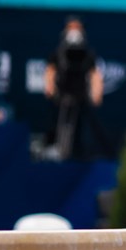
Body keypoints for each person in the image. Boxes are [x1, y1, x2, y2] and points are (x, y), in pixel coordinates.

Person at [44, 16, 110, 160]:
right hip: (61, 98)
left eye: (77, 28)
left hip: (81, 99)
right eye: (71, 28)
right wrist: (49, 87)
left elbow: (95, 75)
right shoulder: (58, 52)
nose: (74, 32)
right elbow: (50, 71)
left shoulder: (88, 53)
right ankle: (57, 152)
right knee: (58, 128)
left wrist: (97, 93)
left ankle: (80, 157)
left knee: (82, 132)